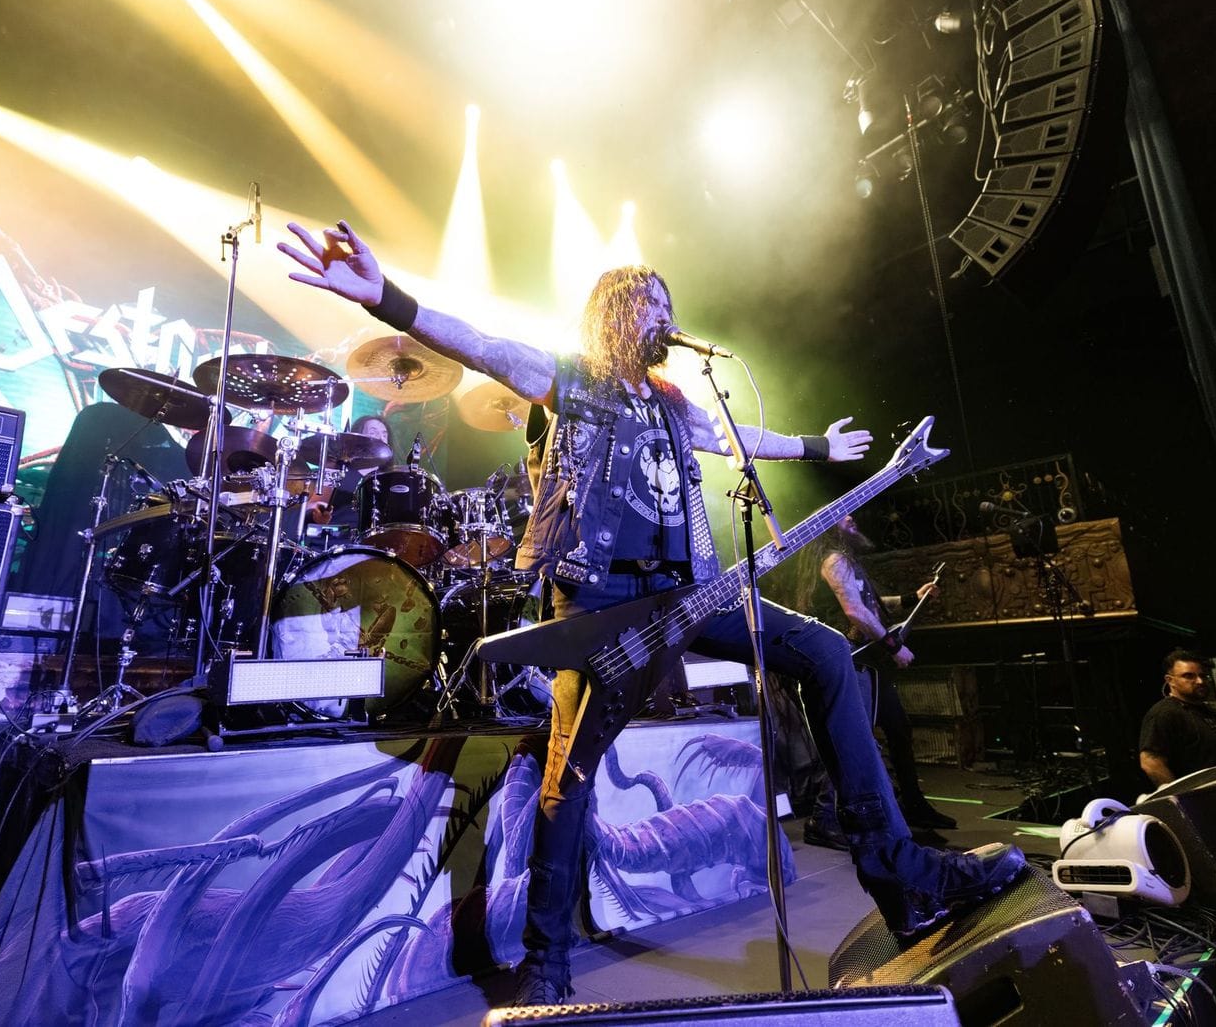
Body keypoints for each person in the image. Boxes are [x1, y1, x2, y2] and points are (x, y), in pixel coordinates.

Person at [279, 220, 1026, 1005]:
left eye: (667, 301)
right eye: (647, 301)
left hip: (688, 592)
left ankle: (902, 875)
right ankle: (546, 955)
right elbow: (482, 345)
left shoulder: (674, 404)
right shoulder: (570, 378)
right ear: (611, 314)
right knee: (569, 774)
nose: (663, 313)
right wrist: (387, 299)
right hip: (601, 598)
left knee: (827, 652)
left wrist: (814, 446)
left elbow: (740, 438)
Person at [810, 514, 955, 835]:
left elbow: (871, 604)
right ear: (829, 527)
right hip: (851, 661)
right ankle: (823, 817)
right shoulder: (834, 561)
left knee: (898, 728)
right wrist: (893, 646)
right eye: (843, 516)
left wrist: (912, 598)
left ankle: (913, 805)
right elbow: (854, 611)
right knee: (853, 737)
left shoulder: (848, 561)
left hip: (868, 661)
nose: (851, 517)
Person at [1138, 648, 1216, 787]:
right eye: (1188, 676)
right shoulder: (1164, 713)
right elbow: (1151, 762)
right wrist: (1182, 796)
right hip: (1205, 796)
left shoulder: (1215, 713)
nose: (1200, 681)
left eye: (1203, 675)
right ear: (1170, 680)